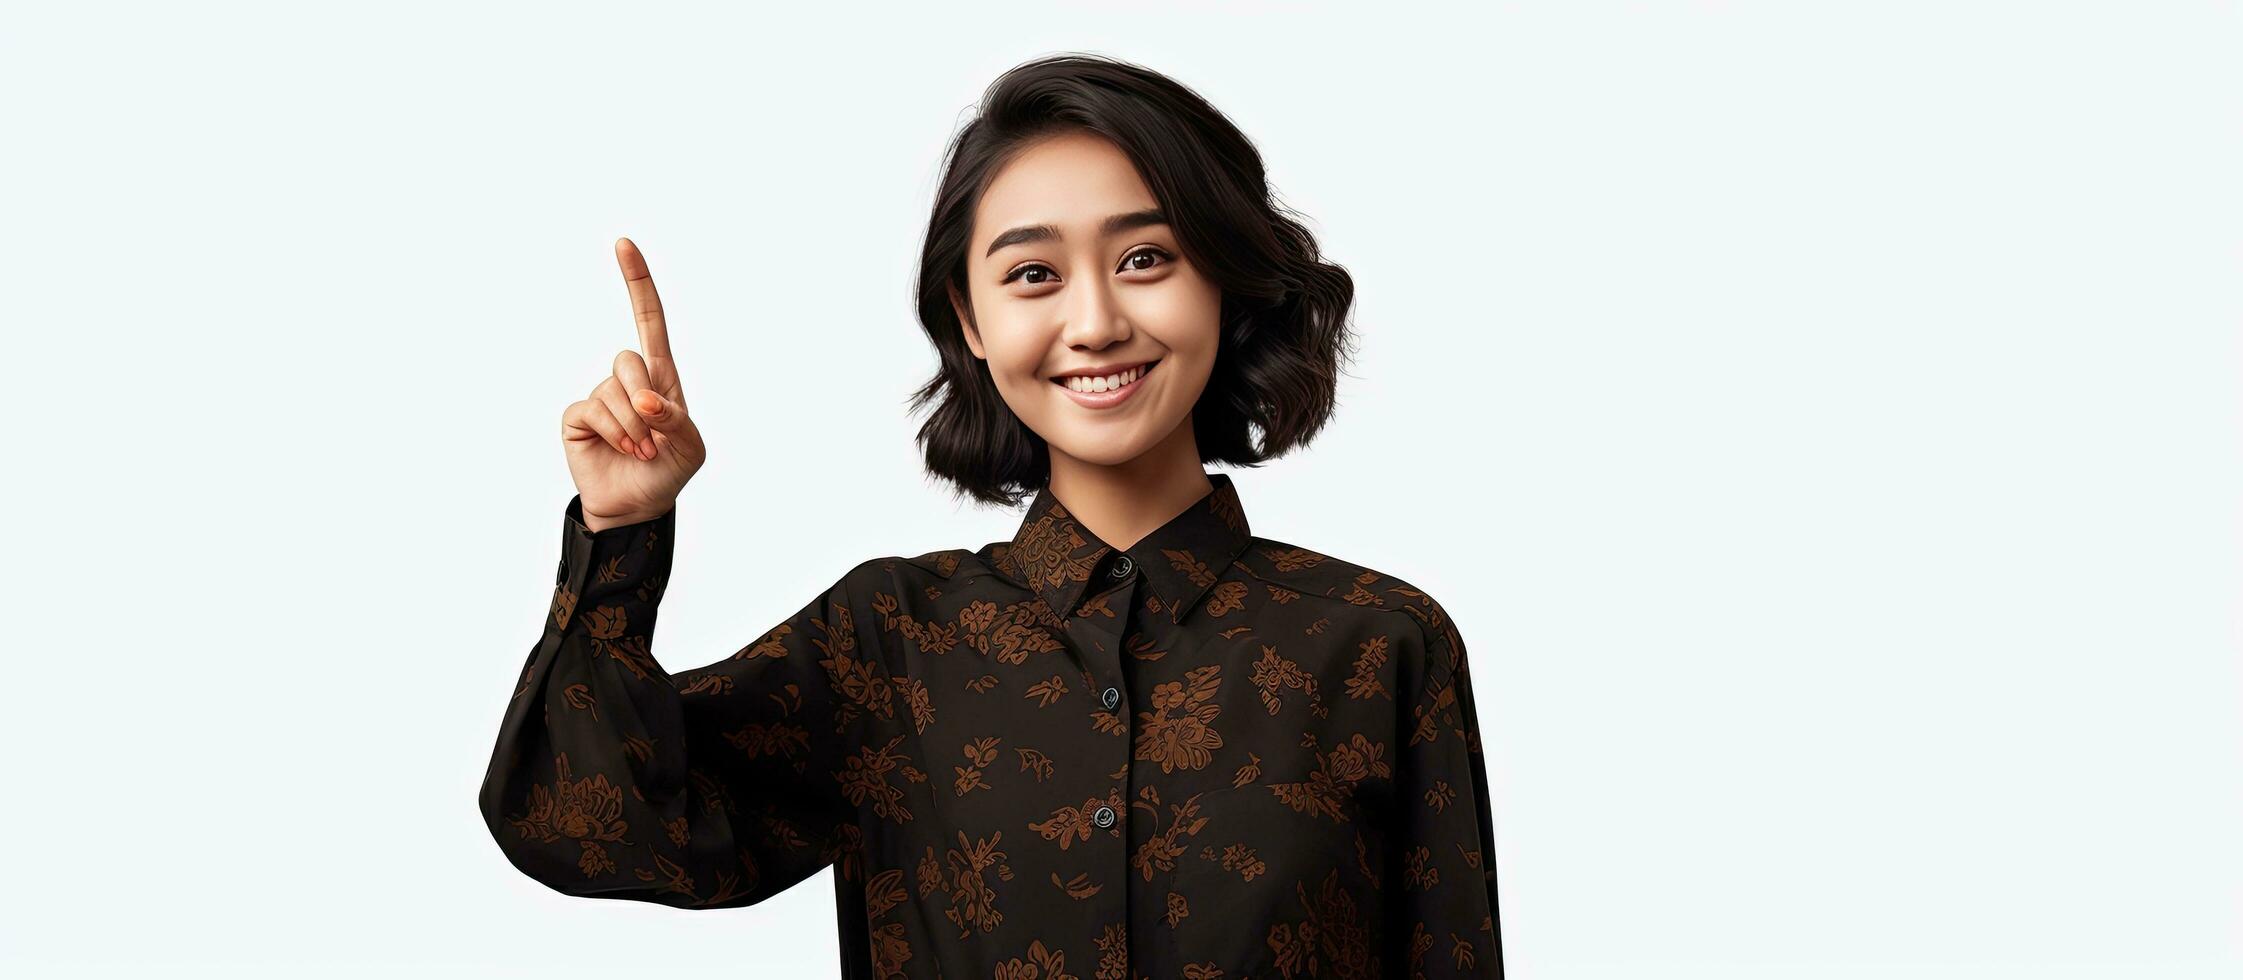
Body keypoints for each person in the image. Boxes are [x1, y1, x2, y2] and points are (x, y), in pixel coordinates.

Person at [477, 53, 1503, 979]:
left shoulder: (1376, 645)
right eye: (1031, 274)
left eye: (1145, 257)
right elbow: (583, 823)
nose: (1096, 321)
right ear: (968, 320)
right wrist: (619, 533)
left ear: (1223, 283)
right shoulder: (883, 643)